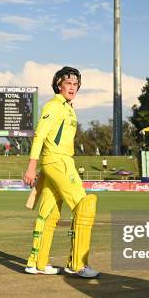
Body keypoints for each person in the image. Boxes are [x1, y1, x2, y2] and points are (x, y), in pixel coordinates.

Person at [23, 66, 99, 278]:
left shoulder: (68, 108)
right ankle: (78, 265)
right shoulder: (54, 105)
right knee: (84, 205)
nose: (72, 87)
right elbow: (39, 136)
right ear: (59, 84)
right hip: (58, 161)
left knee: (49, 213)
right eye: (68, 83)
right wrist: (32, 166)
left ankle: (37, 263)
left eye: (75, 84)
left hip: (58, 162)